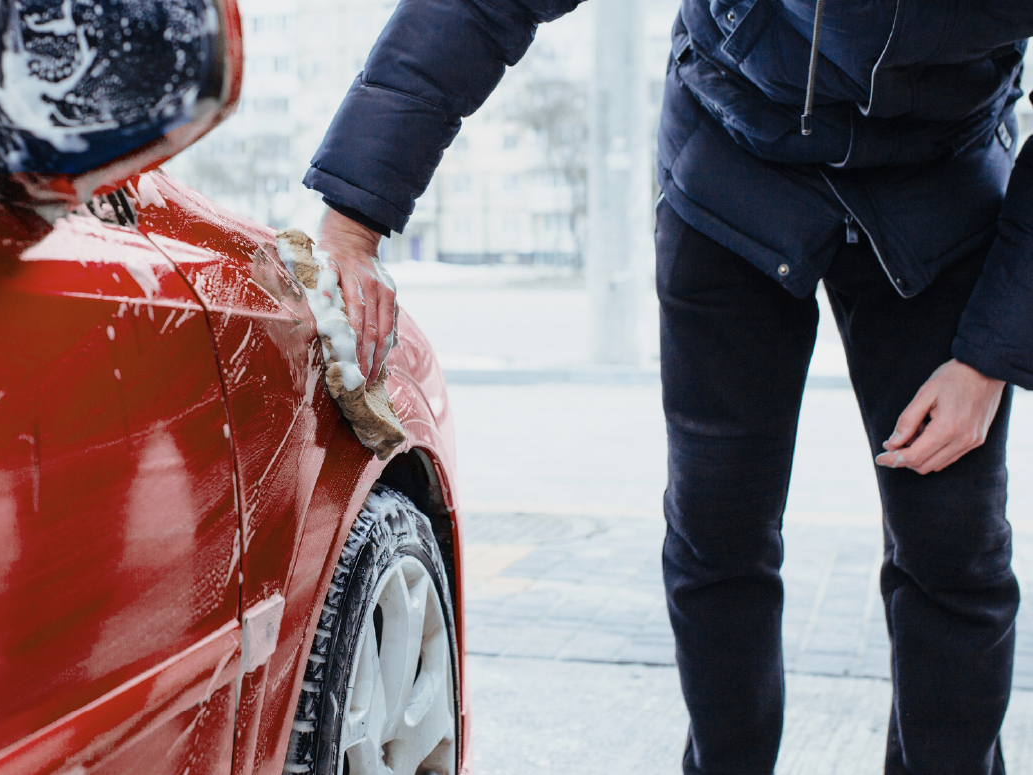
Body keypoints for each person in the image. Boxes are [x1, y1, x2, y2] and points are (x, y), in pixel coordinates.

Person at [303, 1, 1033, 772]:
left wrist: (989, 356)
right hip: (731, 162)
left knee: (953, 544)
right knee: (718, 530)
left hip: (942, 186)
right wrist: (354, 218)